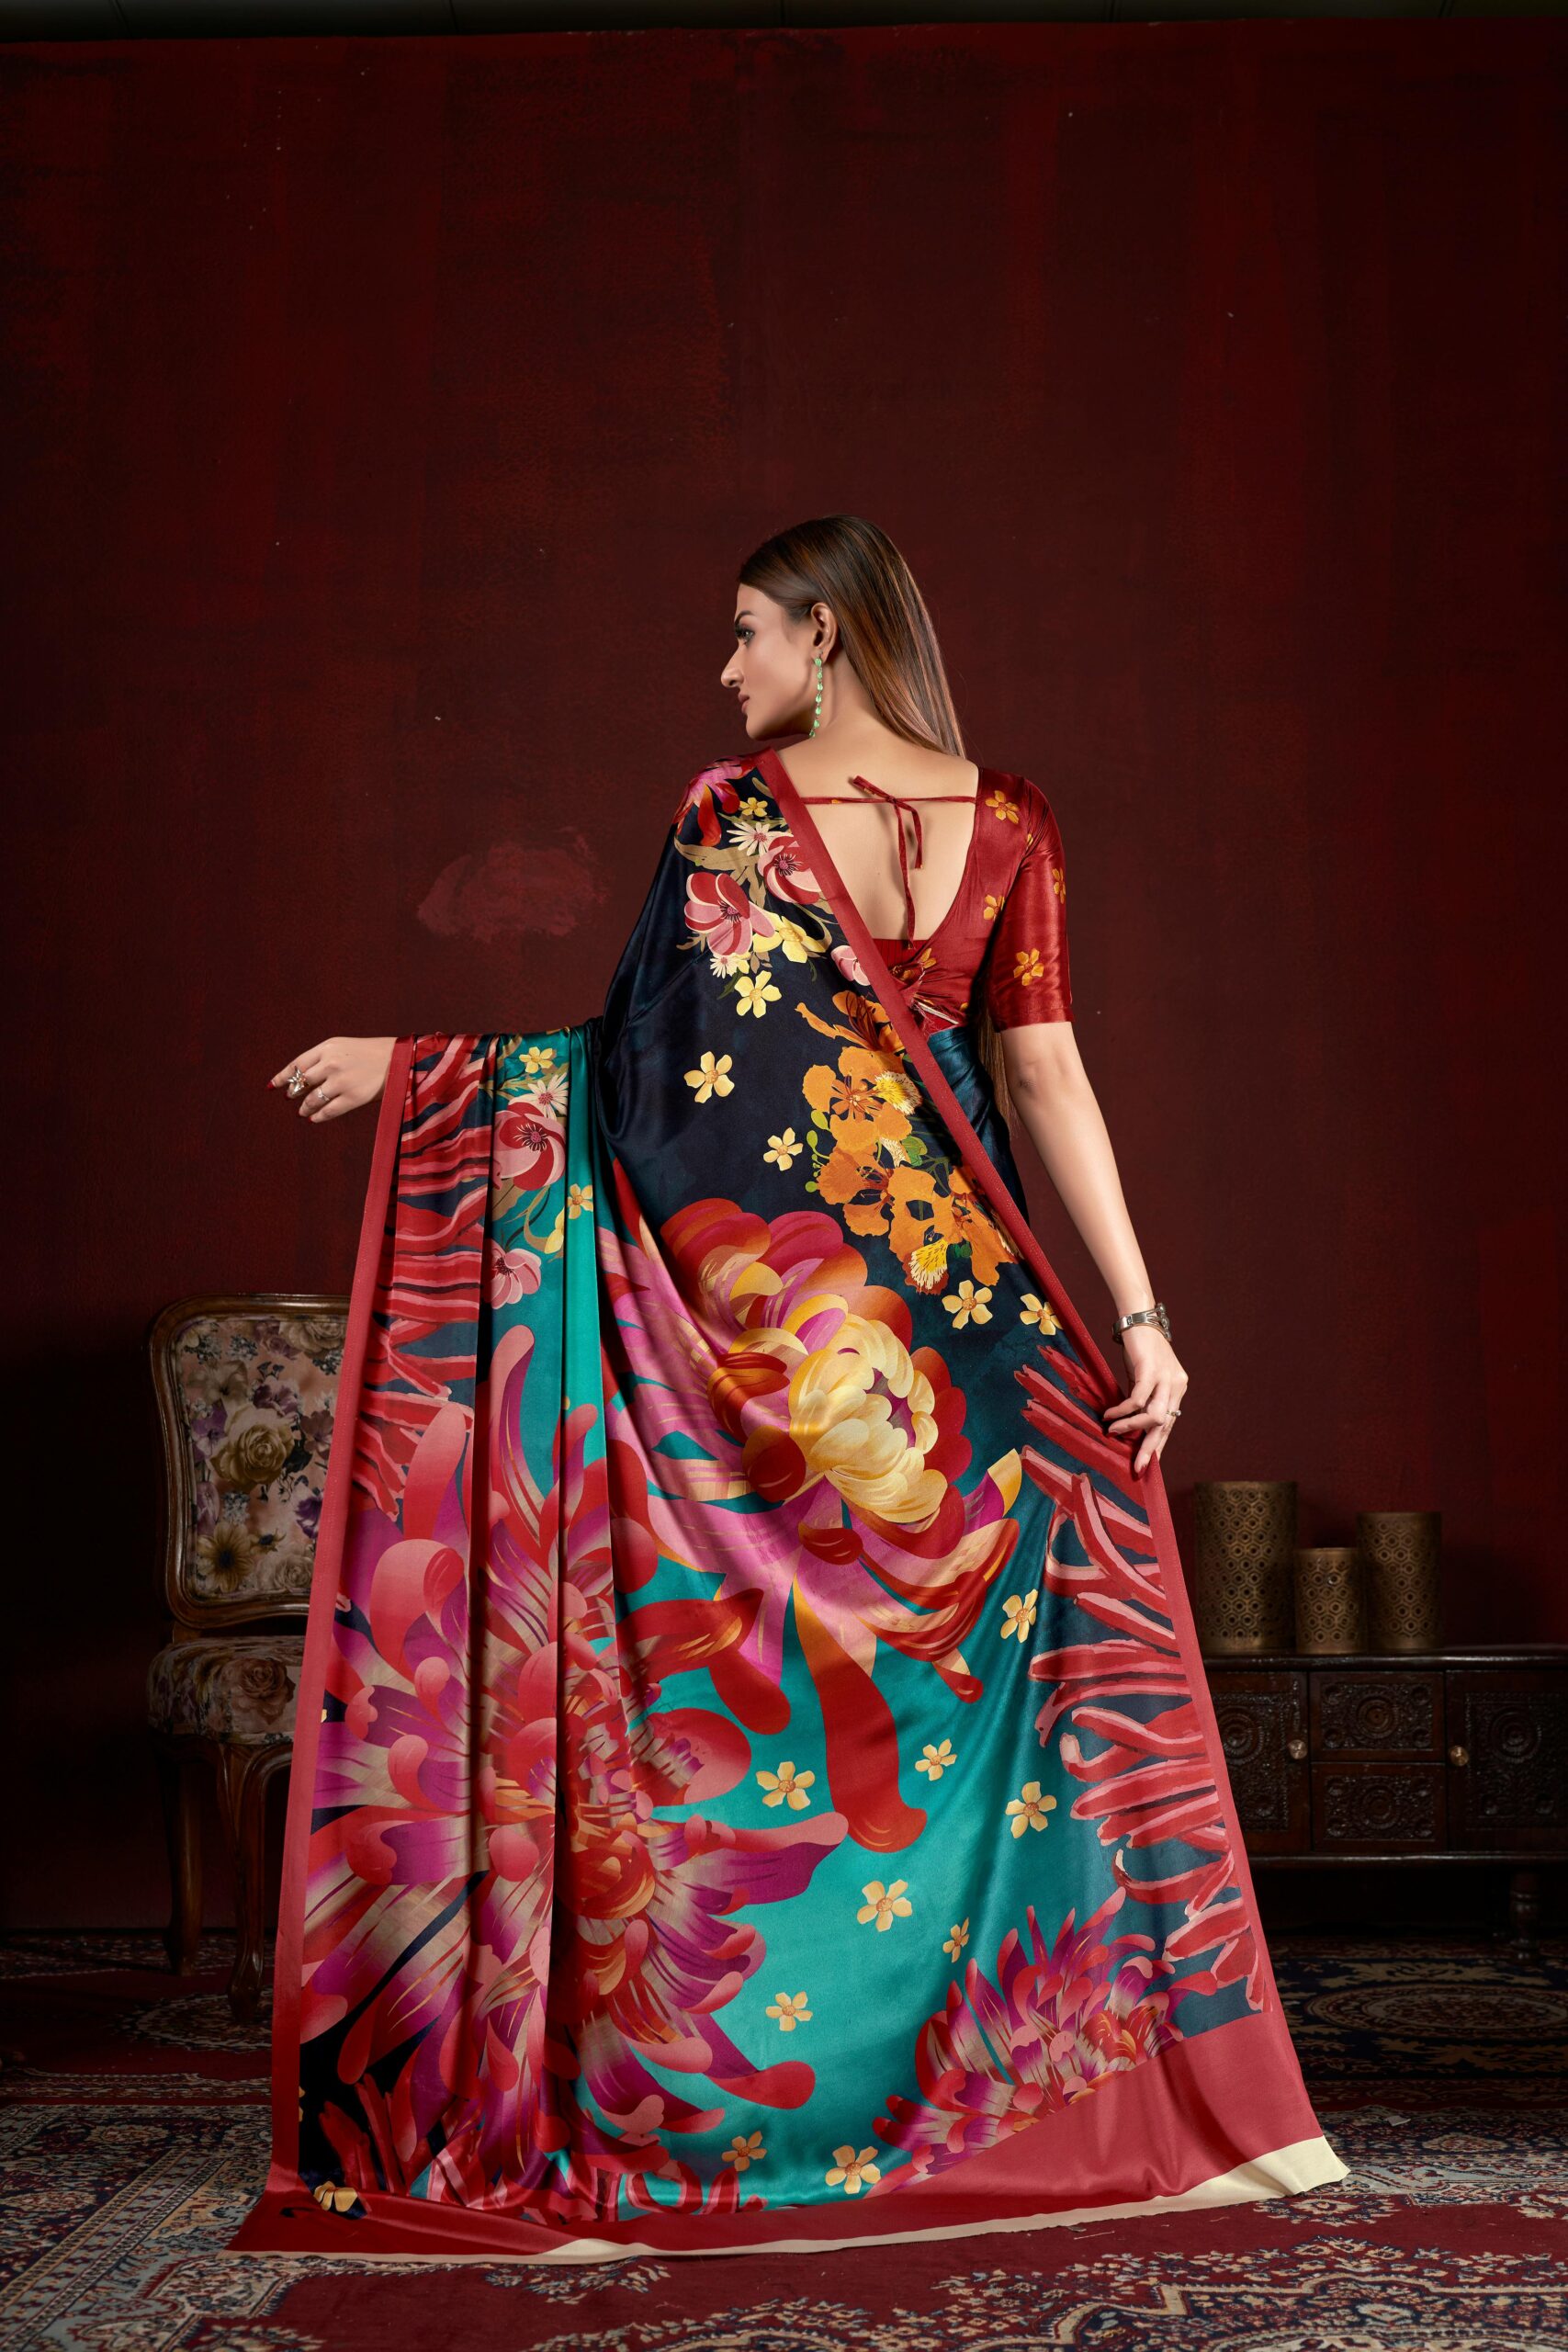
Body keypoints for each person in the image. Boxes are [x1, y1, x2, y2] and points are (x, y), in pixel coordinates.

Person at [233, 515, 1346, 2264]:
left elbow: (648, 1081)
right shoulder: (1013, 816)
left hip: (799, 1330)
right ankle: (1018, 2106)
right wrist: (1137, 1319)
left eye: (748, 628)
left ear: (825, 635)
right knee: (986, 1720)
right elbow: (1043, 1079)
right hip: (976, 1331)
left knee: (782, 1706)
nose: (728, 665)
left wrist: (421, 1068)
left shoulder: (734, 816)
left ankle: (782, 2118)